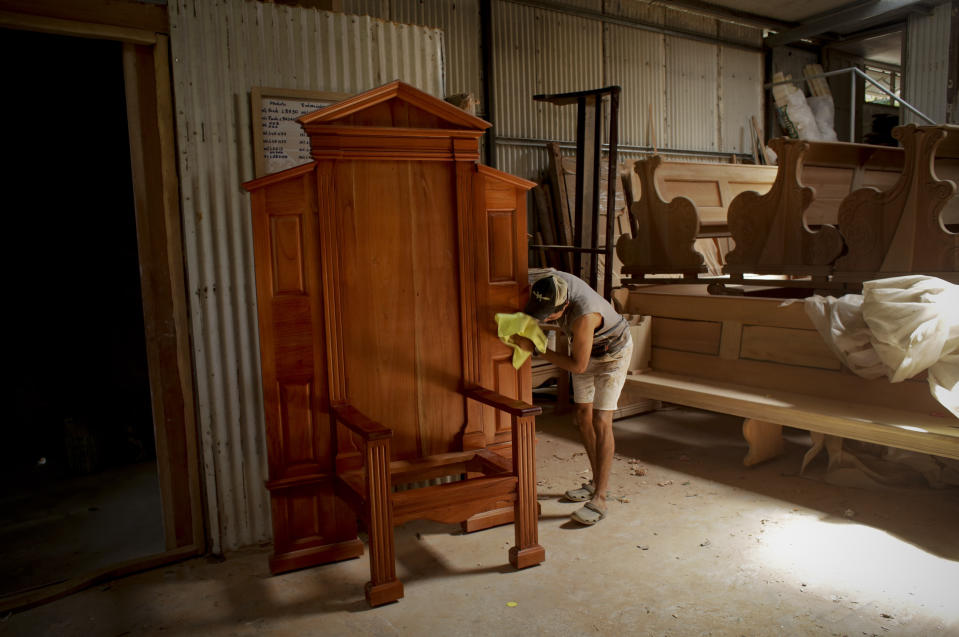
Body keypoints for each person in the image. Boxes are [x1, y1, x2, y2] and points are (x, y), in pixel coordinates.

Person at [511, 269, 632, 526]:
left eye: (549, 315)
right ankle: (594, 482)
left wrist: (536, 349)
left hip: (613, 354)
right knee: (582, 415)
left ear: (565, 305)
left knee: (601, 420)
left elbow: (578, 366)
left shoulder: (584, 317)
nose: (546, 318)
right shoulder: (547, 284)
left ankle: (600, 496)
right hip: (584, 349)